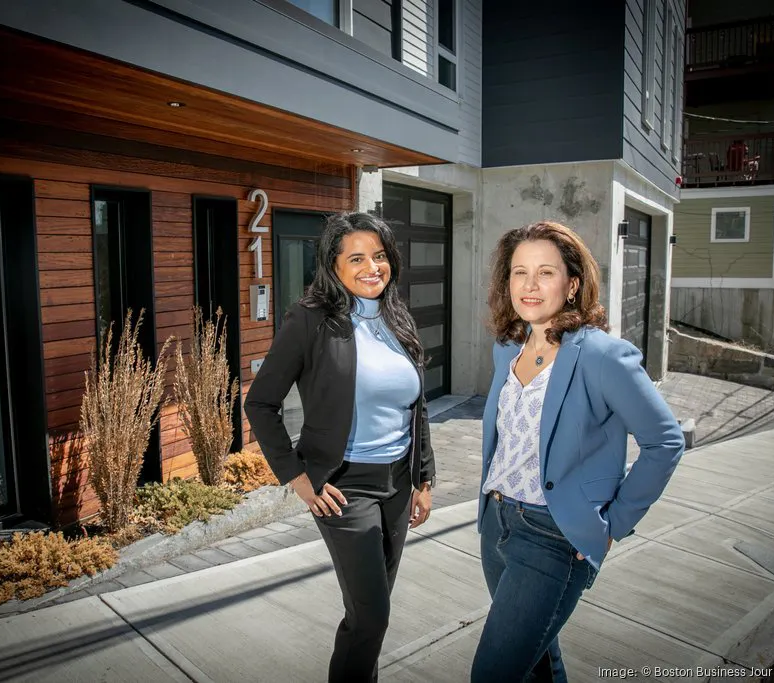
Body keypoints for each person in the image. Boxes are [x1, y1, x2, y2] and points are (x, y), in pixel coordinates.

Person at [470, 221, 685, 683]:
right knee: (540, 664)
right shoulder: (507, 347)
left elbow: (665, 442)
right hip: (496, 522)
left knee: (492, 674)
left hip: (553, 536)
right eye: (518, 272)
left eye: (545, 273)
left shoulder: (604, 356)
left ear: (572, 284)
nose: (529, 286)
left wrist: (613, 526)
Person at [244, 211, 436, 683]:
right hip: (343, 487)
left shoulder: (396, 315)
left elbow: (417, 404)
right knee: (371, 617)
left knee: (372, 613)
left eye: (380, 255)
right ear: (333, 266)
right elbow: (261, 402)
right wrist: (296, 476)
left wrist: (424, 477)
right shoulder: (310, 320)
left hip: (397, 484)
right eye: (357, 258)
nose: (373, 267)